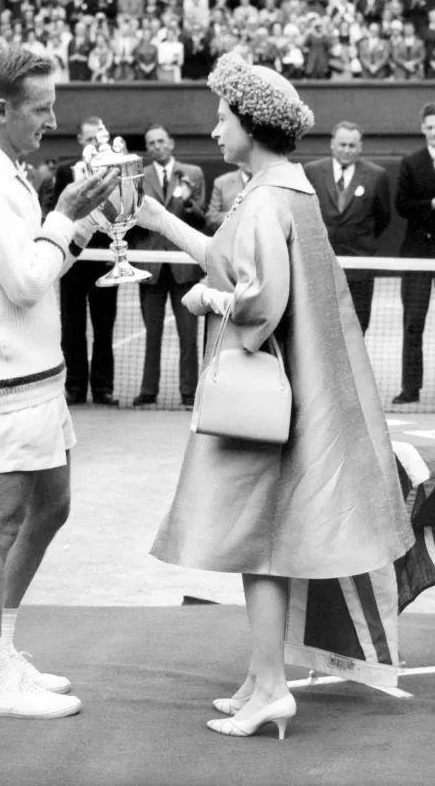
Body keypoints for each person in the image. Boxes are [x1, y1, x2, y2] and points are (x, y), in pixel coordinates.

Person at [137, 53, 414, 738]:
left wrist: (205, 301)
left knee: (258, 544)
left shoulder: (264, 198)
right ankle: (260, 677)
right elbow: (227, 256)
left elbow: (258, 305)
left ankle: (270, 689)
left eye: (222, 117)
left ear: (251, 125)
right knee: (263, 541)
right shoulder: (286, 189)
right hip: (297, 397)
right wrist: (157, 217)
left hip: (265, 402)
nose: (215, 129)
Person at [0, 44, 119, 718]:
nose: (53, 120)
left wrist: (85, 220)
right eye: (41, 109)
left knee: (53, 505)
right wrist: (65, 214)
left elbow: (39, 265)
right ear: (1, 110)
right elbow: (23, 283)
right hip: (6, 380)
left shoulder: (5, 172)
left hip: (38, 374)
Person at [39, 116, 120, 406]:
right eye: (88, 139)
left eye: (97, 139)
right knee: (72, 327)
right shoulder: (65, 171)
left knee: (104, 328)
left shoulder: (115, 170)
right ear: (79, 141)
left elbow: (123, 212)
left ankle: (103, 388)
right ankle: (74, 386)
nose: (93, 144)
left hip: (104, 261)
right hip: (71, 261)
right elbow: (57, 211)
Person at [130, 124, 206, 407]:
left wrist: (186, 203)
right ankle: (148, 391)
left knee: (188, 335)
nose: (157, 146)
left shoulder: (193, 174)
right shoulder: (138, 176)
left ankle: (190, 393)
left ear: (171, 143)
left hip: (184, 267)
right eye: (151, 143)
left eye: (161, 141)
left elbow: (201, 218)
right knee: (152, 335)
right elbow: (132, 218)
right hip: (150, 268)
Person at [393, 101, 435, 404]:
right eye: (429, 127)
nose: (434, 132)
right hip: (417, 254)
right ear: (422, 129)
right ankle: (410, 389)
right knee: (413, 323)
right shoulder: (411, 163)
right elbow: (401, 205)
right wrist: (430, 205)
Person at [304, 122, 391, 333]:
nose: (347, 150)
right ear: (332, 145)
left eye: (352, 146)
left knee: (358, 326)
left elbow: (382, 218)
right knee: (321, 327)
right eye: (342, 144)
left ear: (360, 147)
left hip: (359, 266)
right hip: (321, 264)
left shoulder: (377, 175)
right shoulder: (312, 171)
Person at [205, 167, 250, 234]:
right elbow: (212, 218)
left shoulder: (267, 181)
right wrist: (236, 216)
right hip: (231, 237)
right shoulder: (221, 182)